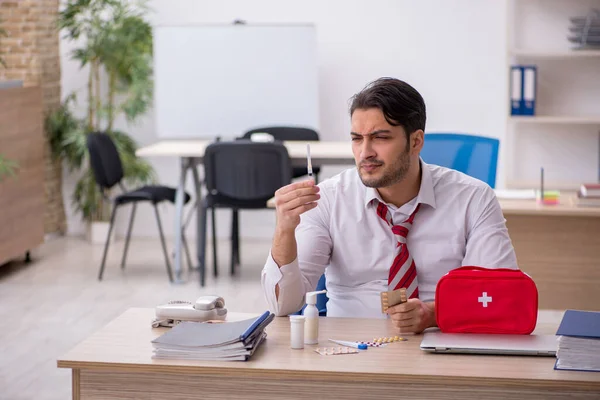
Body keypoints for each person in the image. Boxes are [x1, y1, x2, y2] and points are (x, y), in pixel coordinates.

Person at [261, 77, 518, 334]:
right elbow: (283, 304)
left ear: (416, 142)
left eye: (380, 138)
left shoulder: (473, 198)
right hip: (349, 349)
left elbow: (500, 295)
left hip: (439, 342)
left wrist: (434, 314)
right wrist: (284, 230)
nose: (365, 153)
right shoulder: (328, 198)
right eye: (356, 139)